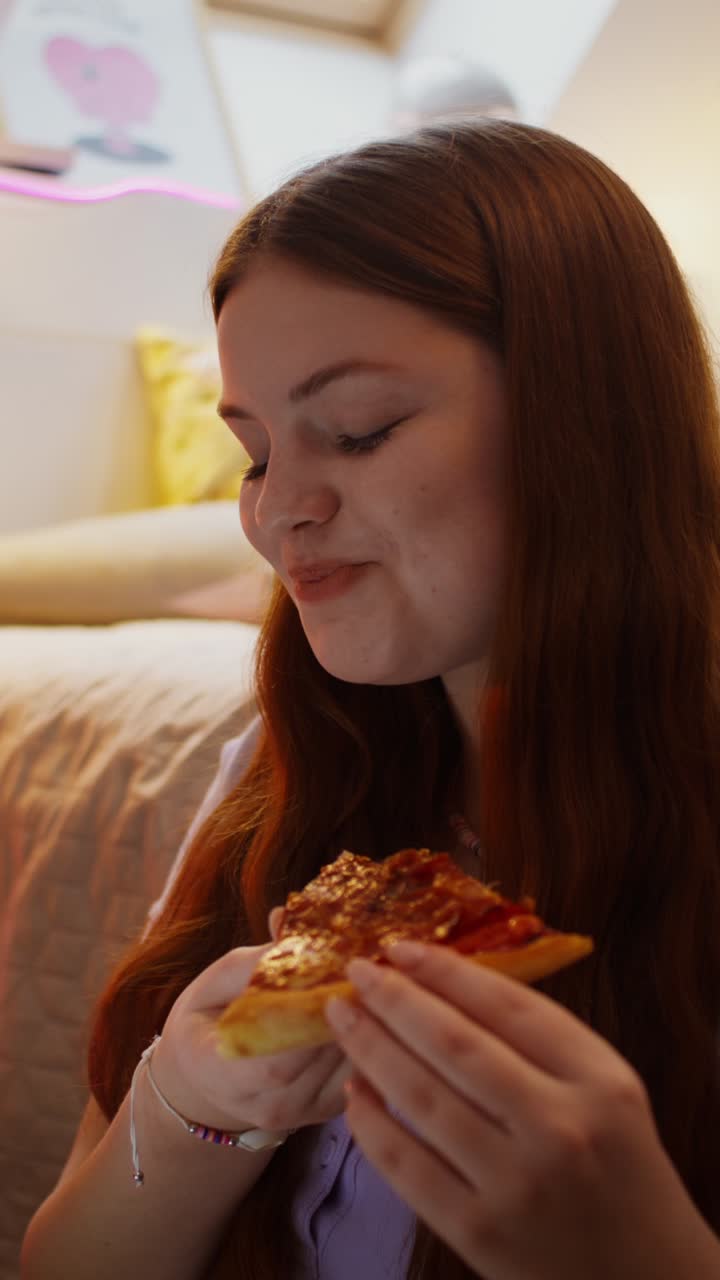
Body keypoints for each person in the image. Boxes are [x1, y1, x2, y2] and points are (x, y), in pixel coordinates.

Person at [21, 118, 720, 1280]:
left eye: (356, 429)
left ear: (585, 417)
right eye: (252, 452)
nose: (276, 510)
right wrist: (197, 1108)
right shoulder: (281, 777)